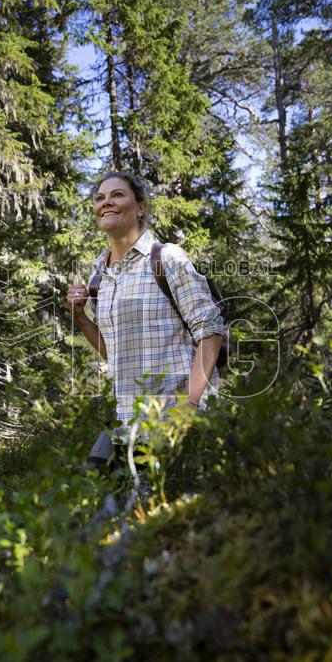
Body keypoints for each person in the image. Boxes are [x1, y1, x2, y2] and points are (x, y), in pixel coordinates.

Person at [66, 171, 225, 472]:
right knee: (102, 488)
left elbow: (210, 331)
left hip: (177, 421)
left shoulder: (167, 259)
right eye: (100, 198)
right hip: (129, 423)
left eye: (117, 195)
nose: (106, 202)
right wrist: (81, 318)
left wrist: (190, 406)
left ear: (140, 207)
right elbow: (114, 351)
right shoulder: (99, 276)